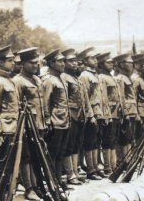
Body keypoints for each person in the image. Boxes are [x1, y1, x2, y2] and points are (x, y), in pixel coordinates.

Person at [0, 45, 25, 201]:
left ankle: (8, 198)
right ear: (1, 62)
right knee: (1, 166)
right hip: (5, 129)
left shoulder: (9, 80)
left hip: (14, 127)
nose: (13, 64)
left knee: (11, 166)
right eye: (10, 61)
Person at [13, 47, 46, 197]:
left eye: (37, 63)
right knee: (26, 157)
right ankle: (29, 188)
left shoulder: (37, 79)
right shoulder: (18, 81)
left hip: (38, 124)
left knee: (36, 156)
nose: (35, 66)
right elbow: (17, 106)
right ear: (23, 64)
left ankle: (37, 185)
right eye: (32, 63)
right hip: (26, 125)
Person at [40, 49, 70, 182]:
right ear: (51, 64)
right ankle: (52, 180)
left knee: (60, 153)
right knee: (53, 153)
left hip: (64, 121)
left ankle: (58, 180)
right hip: (55, 122)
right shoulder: (49, 81)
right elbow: (45, 102)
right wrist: (47, 121)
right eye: (60, 61)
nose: (63, 64)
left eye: (64, 61)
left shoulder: (60, 78)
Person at [78, 48, 103, 179]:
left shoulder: (94, 74)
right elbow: (85, 98)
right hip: (91, 114)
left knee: (96, 142)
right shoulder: (84, 76)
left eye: (95, 58)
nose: (95, 60)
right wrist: (90, 115)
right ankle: (90, 170)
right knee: (89, 142)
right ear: (85, 61)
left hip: (98, 112)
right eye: (92, 58)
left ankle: (96, 167)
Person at [61, 49, 85, 185]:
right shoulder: (64, 77)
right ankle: (70, 174)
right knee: (69, 146)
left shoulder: (75, 77)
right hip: (70, 115)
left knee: (76, 145)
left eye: (75, 61)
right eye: (71, 61)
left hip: (79, 114)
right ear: (64, 63)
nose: (75, 63)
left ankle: (75, 171)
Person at [96, 53, 119, 175]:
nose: (112, 64)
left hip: (115, 112)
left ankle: (113, 165)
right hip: (108, 112)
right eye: (108, 62)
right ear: (101, 64)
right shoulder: (101, 77)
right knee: (107, 139)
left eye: (112, 62)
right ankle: (107, 166)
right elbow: (103, 97)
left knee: (112, 139)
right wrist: (106, 114)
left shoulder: (110, 76)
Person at [113, 54, 138, 163]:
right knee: (124, 137)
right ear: (121, 64)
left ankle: (128, 159)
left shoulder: (127, 77)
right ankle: (123, 160)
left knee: (130, 136)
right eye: (129, 63)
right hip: (126, 112)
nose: (132, 65)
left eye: (132, 63)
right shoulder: (120, 79)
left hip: (132, 111)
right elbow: (121, 97)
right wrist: (125, 113)